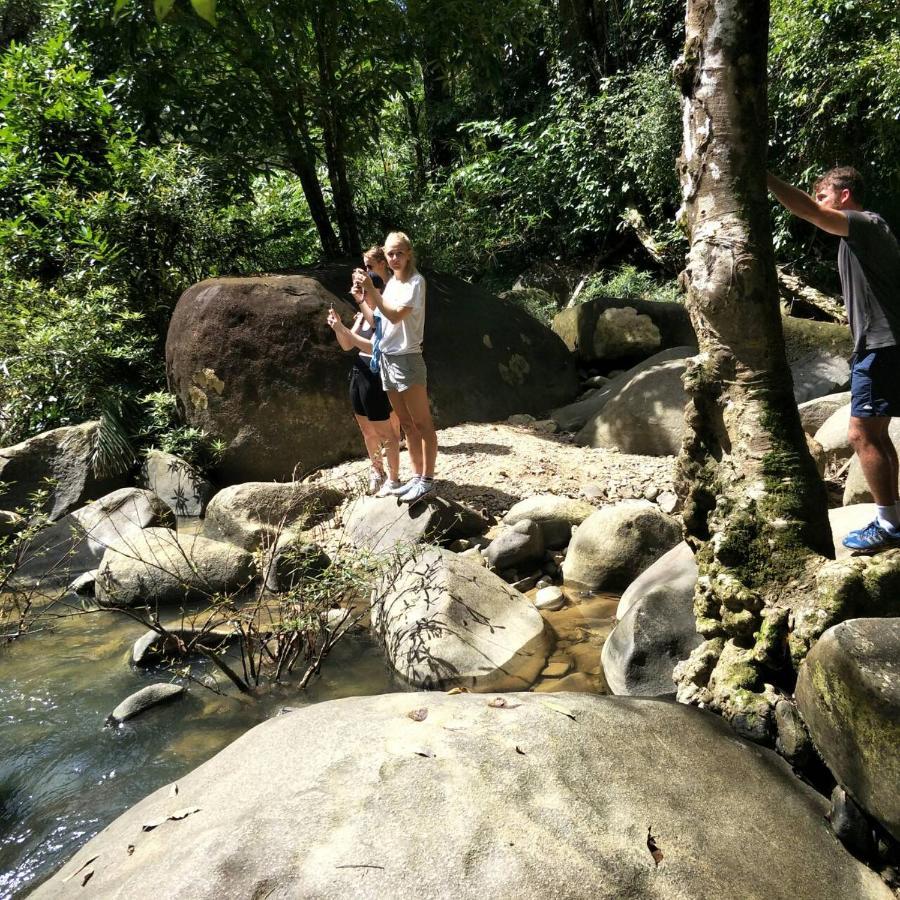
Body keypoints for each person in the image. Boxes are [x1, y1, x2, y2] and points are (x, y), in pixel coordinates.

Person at [768, 167, 900, 552]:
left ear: (844, 196)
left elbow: (810, 213)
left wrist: (767, 178)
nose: (818, 201)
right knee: (876, 432)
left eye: (823, 194)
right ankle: (892, 517)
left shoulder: (865, 224)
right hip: (881, 344)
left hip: (881, 346)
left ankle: (888, 524)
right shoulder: (859, 237)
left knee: (861, 433)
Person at [351, 231, 438, 503]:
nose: (394, 258)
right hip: (387, 358)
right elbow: (378, 322)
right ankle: (415, 477)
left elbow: (396, 315)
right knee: (407, 426)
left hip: (407, 357)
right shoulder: (391, 286)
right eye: (390, 253)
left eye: (399, 252)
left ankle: (427, 479)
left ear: (409, 253)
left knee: (423, 423)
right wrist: (361, 299)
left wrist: (371, 290)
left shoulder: (415, 282)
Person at [326, 246, 401, 495]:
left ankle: (394, 478)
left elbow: (375, 346)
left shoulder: (383, 313)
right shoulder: (362, 316)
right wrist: (338, 328)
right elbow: (348, 345)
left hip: (377, 375)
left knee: (387, 432)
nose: (360, 294)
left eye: (364, 290)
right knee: (367, 431)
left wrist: (348, 332)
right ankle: (377, 471)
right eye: (359, 291)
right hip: (358, 374)